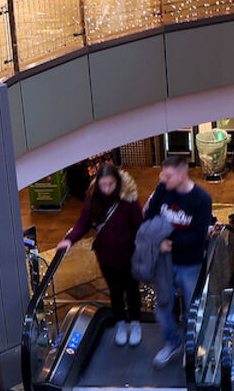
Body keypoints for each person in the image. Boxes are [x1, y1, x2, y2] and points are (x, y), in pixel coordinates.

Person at [57, 162, 143, 347]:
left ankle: (135, 323)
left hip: (130, 256)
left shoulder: (128, 199)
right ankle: (121, 324)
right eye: (103, 185)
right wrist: (70, 239)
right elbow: (83, 222)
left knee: (132, 291)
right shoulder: (93, 198)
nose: (106, 189)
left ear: (117, 182)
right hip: (106, 256)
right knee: (115, 291)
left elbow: (139, 227)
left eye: (110, 184)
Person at [143, 155, 216, 368]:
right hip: (165, 262)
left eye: (167, 175)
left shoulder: (202, 199)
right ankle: (173, 343)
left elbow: (198, 235)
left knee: (193, 308)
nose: (162, 178)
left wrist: (170, 243)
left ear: (182, 175)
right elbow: (150, 215)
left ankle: (190, 346)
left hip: (190, 263)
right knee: (162, 306)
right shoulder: (163, 190)